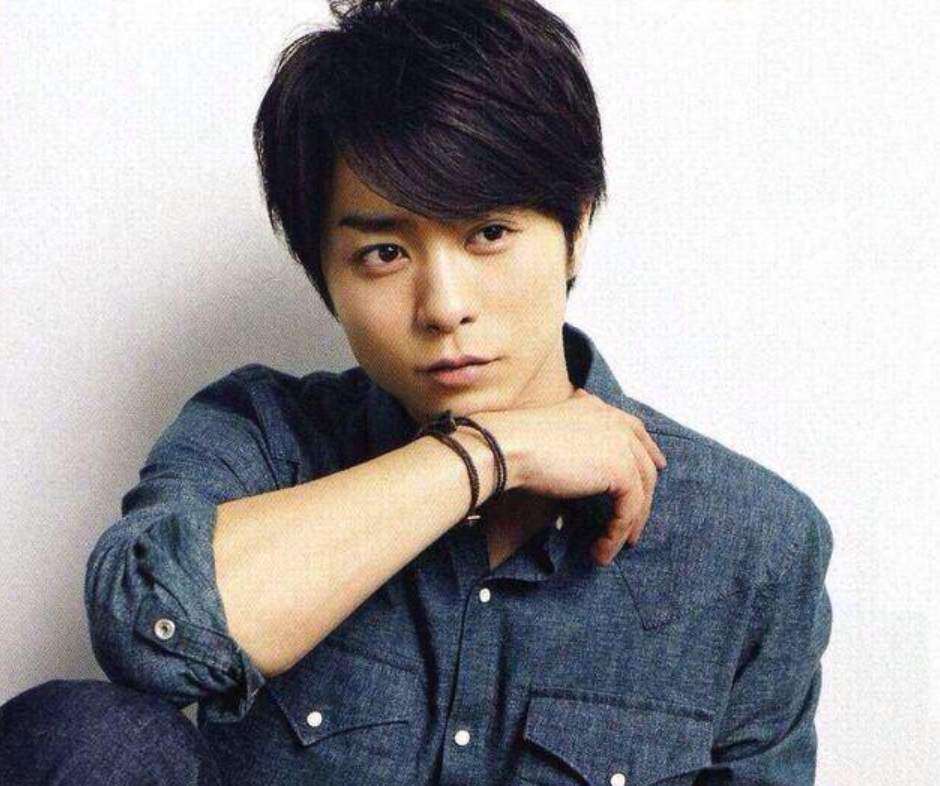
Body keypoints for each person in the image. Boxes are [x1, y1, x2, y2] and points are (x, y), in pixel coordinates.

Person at [0, 0, 833, 784]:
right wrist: (492, 454)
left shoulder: (753, 545)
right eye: (384, 255)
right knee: (88, 734)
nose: (444, 307)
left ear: (574, 227)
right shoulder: (262, 436)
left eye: (490, 234)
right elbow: (152, 637)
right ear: (324, 274)